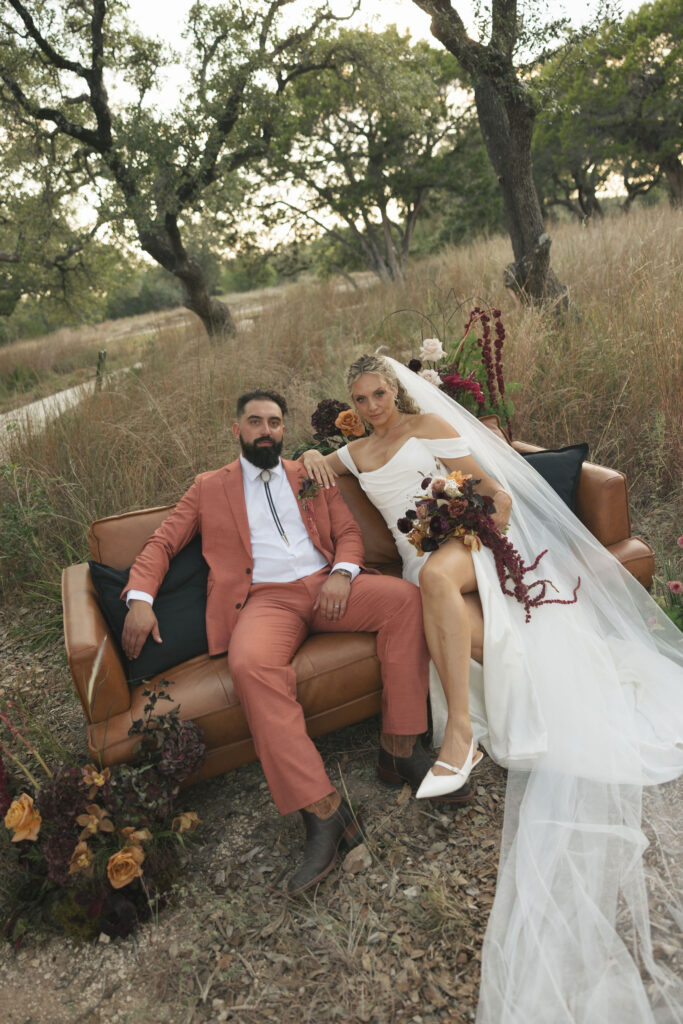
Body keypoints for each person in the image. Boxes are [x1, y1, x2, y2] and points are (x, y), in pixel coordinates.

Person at [301, 354, 683, 1023]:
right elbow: (304, 466)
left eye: (380, 393)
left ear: (395, 389)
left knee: (435, 582)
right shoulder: (353, 452)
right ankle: (514, 696)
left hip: (468, 541)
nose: (372, 406)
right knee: (452, 608)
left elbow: (497, 495)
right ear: (350, 405)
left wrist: (465, 519)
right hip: (425, 558)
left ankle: (458, 736)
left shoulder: (428, 426)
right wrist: (308, 454)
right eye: (360, 399)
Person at [120, 388, 468, 897]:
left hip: (329, 585)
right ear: (236, 430)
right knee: (250, 665)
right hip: (265, 602)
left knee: (404, 601)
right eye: (256, 422)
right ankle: (324, 811)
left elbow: (348, 532)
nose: (266, 430)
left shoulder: (309, 474)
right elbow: (163, 542)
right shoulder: (208, 487)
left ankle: (399, 748)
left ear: (285, 430)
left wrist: (344, 573)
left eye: (275, 422)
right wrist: (139, 598)